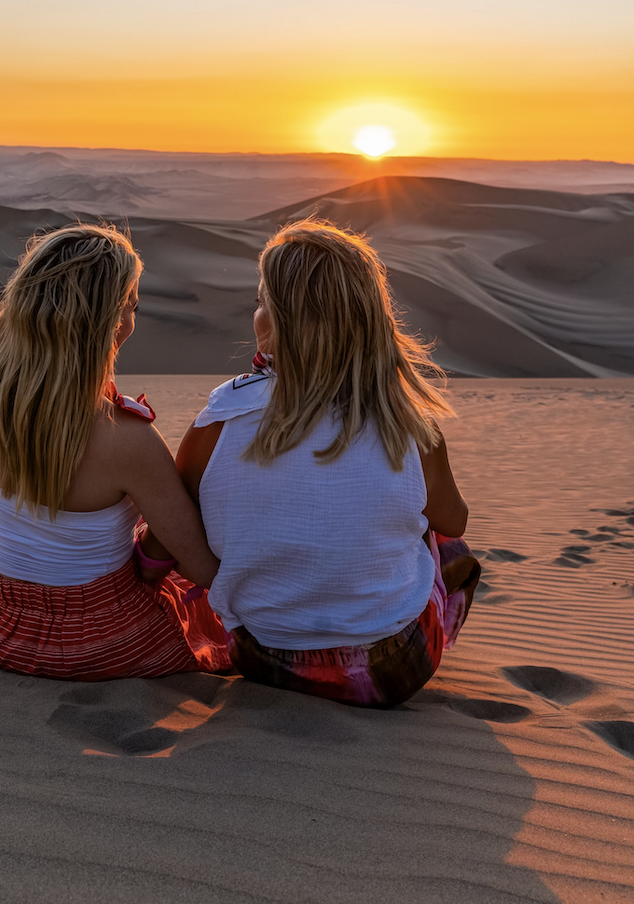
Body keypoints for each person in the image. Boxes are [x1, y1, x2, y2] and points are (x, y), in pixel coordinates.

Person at [176, 218, 480, 708]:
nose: (255, 315)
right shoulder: (410, 426)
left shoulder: (219, 420)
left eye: (262, 303)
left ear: (278, 324)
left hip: (259, 657)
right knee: (444, 536)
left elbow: (177, 518)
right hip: (394, 669)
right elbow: (455, 519)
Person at [0, 224, 230, 679]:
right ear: (115, 319)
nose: (132, 320)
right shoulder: (127, 438)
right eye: (131, 305)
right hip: (100, 639)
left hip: (1, 621)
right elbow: (202, 567)